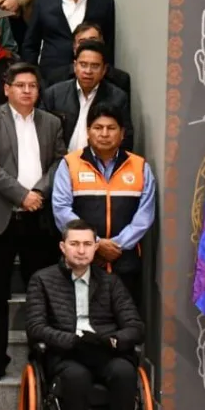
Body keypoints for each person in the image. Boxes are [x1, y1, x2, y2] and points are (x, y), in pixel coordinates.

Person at [0, 62, 65, 382]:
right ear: (6, 88)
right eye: (20, 85)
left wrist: (37, 192)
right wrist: (21, 194)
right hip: (1, 217)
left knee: (41, 291)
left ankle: (41, 356)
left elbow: (59, 163)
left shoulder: (51, 123)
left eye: (33, 86)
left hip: (38, 220)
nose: (27, 90)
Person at [26, 219, 144, 410]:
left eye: (88, 244)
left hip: (105, 349)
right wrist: (72, 341)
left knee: (125, 373)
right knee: (76, 377)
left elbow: (135, 326)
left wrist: (113, 340)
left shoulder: (111, 282)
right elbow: (36, 327)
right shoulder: (42, 280)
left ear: (95, 247)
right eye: (75, 244)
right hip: (66, 353)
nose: (81, 250)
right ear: (62, 246)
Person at [52, 102, 156, 311]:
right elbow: (61, 210)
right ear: (88, 132)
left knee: (124, 322)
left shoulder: (140, 166)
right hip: (80, 259)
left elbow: (144, 216)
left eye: (111, 128)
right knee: (78, 321)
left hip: (124, 259)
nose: (104, 134)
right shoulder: (70, 164)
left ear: (122, 133)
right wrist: (95, 244)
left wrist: (117, 245)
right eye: (98, 128)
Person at [40, 40, 133, 153]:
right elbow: (42, 135)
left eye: (95, 66)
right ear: (75, 66)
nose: (88, 71)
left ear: (104, 70)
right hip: (61, 163)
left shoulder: (117, 98)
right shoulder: (54, 94)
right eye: (83, 65)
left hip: (100, 164)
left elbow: (126, 139)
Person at [42, 22, 131, 98]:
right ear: (74, 48)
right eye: (82, 42)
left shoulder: (119, 80)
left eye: (93, 40)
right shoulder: (56, 78)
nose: (89, 45)